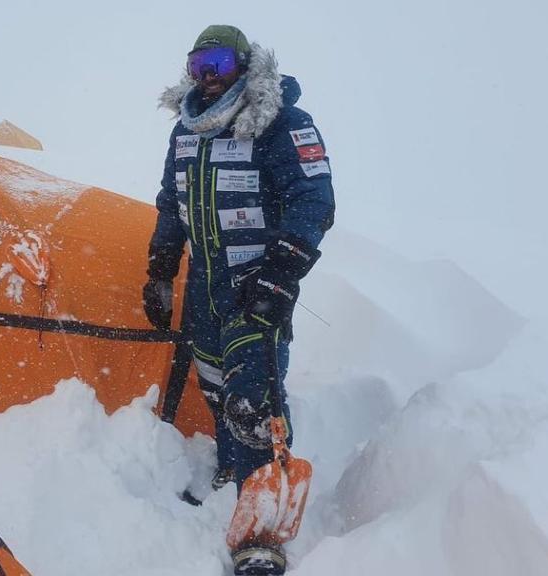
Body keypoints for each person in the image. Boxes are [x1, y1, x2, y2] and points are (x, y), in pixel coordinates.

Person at [142, 25, 335, 575]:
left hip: (258, 281)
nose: (207, 76)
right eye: (198, 64)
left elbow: (313, 201)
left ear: (245, 66)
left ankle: (263, 537)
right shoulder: (185, 131)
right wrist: (160, 268)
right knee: (215, 380)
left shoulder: (282, 124)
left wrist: (280, 274)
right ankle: (236, 473)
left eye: (219, 63)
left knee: (255, 400)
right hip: (205, 281)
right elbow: (169, 202)